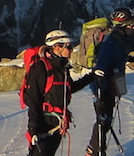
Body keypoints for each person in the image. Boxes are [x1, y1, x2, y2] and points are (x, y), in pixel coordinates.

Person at [24, 30, 93, 156]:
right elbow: (33, 99)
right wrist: (33, 129)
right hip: (43, 123)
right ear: (57, 47)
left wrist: (91, 76)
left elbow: (68, 88)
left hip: (58, 122)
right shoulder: (41, 67)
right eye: (69, 46)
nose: (72, 50)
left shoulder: (62, 68)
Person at [85, 8, 134, 156]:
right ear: (122, 26)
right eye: (131, 26)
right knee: (103, 120)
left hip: (108, 86)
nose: (133, 28)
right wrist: (101, 92)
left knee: (106, 121)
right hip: (102, 86)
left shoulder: (119, 40)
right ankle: (96, 151)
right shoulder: (111, 42)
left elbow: (117, 57)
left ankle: (94, 150)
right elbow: (101, 67)